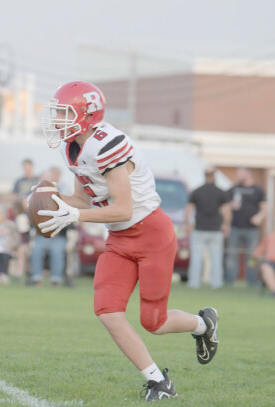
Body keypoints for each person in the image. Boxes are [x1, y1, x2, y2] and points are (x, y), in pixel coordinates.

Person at [37, 81, 219, 401]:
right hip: (119, 238)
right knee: (107, 310)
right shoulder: (73, 147)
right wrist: (54, 201)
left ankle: (203, 324)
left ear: (87, 114)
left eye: (64, 113)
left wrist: (73, 217)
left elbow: (123, 207)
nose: (57, 120)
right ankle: (158, 381)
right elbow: (82, 199)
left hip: (151, 235)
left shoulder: (108, 144)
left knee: (154, 322)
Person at [184, 166, 231, 289]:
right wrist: (226, 225)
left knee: (196, 258)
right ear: (214, 176)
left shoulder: (197, 191)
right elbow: (227, 211)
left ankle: (194, 283)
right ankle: (216, 283)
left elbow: (188, 209)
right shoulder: (221, 192)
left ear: (204, 176)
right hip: (216, 229)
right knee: (216, 258)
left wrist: (187, 224)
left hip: (199, 228)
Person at [225, 167, 267, 286]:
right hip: (235, 228)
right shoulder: (233, 189)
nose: (238, 175)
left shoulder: (257, 189)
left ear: (248, 174)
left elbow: (264, 208)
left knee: (252, 256)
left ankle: (252, 282)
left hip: (251, 229)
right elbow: (226, 207)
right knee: (232, 255)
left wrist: (259, 217)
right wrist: (230, 207)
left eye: (240, 173)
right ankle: (229, 281)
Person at [29, 167, 68, 286]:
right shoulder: (35, 197)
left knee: (57, 251)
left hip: (58, 235)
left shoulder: (62, 195)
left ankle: (55, 280)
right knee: (36, 250)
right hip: (41, 235)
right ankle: (37, 278)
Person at [252, 229, 275, 296]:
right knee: (265, 267)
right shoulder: (270, 237)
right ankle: (274, 291)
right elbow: (256, 254)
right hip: (270, 261)